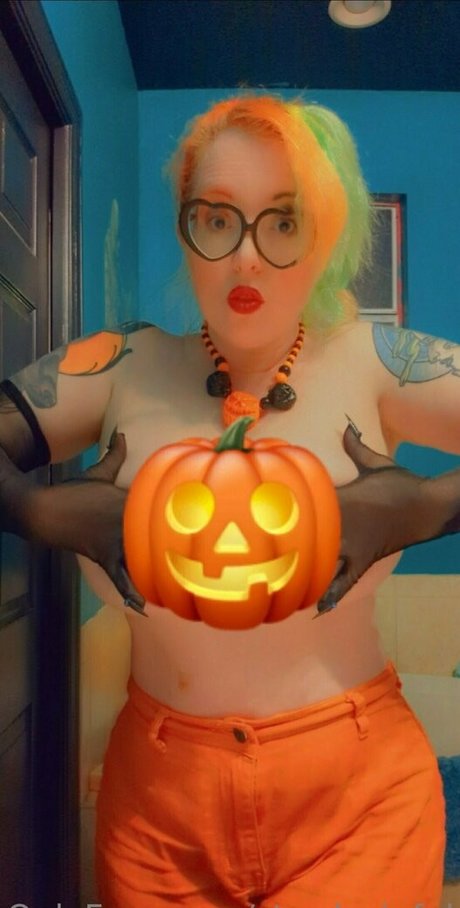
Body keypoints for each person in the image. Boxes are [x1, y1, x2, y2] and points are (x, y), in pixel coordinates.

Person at [0, 94, 459, 908]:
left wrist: (430, 506)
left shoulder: (376, 360)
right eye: (217, 218)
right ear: (186, 229)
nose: (246, 259)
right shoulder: (123, 365)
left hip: (360, 807)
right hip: (159, 822)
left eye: (283, 222)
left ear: (324, 236)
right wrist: (36, 511)